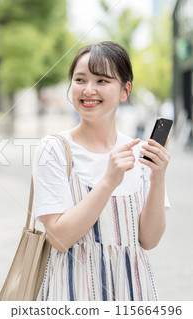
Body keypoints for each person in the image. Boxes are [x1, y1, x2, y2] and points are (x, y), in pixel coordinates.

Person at [32, 41, 171, 301]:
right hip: (72, 292)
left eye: (102, 81)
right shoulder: (54, 149)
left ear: (124, 90)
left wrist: (158, 177)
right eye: (80, 79)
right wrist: (108, 181)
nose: (89, 90)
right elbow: (60, 239)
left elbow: (149, 240)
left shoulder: (141, 152)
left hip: (131, 290)